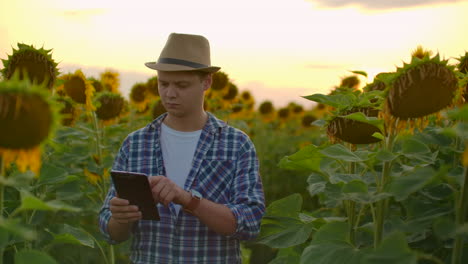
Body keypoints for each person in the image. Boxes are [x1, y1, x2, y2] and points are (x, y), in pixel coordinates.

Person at [99, 33, 265, 263]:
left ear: (206, 82)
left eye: (181, 85)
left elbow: (250, 224)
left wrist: (188, 200)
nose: (169, 93)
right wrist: (121, 218)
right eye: (163, 84)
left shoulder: (236, 145)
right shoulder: (135, 144)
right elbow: (111, 232)